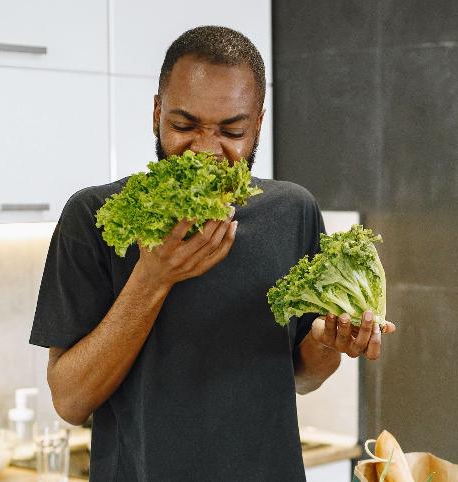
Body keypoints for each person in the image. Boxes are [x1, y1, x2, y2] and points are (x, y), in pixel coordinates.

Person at [30, 25, 395, 481]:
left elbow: (301, 377)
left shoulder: (293, 211)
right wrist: (153, 277)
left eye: (231, 131)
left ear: (258, 123)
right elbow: (70, 401)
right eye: (183, 125)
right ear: (157, 113)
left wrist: (326, 345)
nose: (204, 149)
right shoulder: (94, 216)